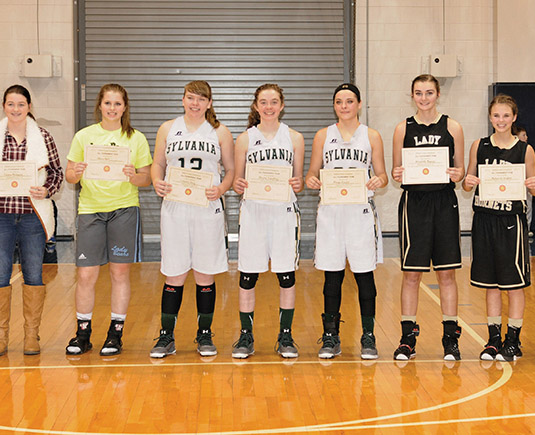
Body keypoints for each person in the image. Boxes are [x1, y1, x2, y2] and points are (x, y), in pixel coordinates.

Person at [0, 85, 64, 357]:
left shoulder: (44, 137)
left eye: (21, 104)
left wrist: (47, 190)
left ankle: (31, 335)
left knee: (34, 274)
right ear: (3, 106)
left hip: (32, 217)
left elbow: (57, 173)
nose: (15, 109)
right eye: (11, 104)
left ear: (29, 106)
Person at [64, 84, 153, 356]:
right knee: (86, 274)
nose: (112, 108)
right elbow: (69, 176)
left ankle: (115, 333)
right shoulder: (84, 136)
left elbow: (145, 178)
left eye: (117, 104)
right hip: (91, 210)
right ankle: (83, 332)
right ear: (99, 106)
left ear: (125, 107)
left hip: (124, 210)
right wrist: (76, 172)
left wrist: (132, 175)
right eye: (108, 103)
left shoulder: (135, 138)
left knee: (119, 273)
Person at [149, 80, 235, 358]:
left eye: (201, 98)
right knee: (174, 273)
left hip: (206, 208)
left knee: (204, 273)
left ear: (209, 103)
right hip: (175, 207)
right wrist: (156, 181)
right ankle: (166, 336)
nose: (195, 103)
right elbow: (158, 164)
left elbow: (231, 170)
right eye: (190, 97)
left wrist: (221, 188)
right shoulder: (167, 128)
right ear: (182, 100)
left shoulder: (220, 132)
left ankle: (205, 334)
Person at [305, 83, 388, 360]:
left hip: (360, 214)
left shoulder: (371, 136)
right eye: (339, 101)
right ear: (334, 106)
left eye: (349, 101)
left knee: (365, 276)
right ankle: (331, 336)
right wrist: (312, 180)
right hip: (331, 213)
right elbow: (311, 174)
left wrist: (379, 179)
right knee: (332, 277)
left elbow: (383, 175)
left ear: (359, 104)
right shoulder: (322, 136)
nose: (344, 106)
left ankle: (368, 335)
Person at [391, 74, 465, 361]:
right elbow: (397, 171)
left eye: (429, 93)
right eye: (419, 93)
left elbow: (459, 170)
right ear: (412, 96)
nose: (424, 98)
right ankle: (408, 337)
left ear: (437, 95)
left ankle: (450, 337)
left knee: (447, 273)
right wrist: (398, 173)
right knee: (411, 274)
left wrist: (457, 174)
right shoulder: (402, 129)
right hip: (414, 204)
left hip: (444, 203)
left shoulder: (453, 127)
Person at [462, 95, 535, 362]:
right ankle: (493, 339)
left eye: (506, 116)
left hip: (512, 222)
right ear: (490, 117)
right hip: (484, 219)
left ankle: (513, 340)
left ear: (514, 117)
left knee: (514, 284)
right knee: (491, 284)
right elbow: (466, 185)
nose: (501, 120)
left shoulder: (524, 149)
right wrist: (468, 181)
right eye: (496, 115)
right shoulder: (479, 146)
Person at [230, 84, 304, 359]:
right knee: (248, 276)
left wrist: (297, 182)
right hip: (254, 212)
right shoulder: (245, 139)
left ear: (282, 105)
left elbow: (298, 181)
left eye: (274, 101)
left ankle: (285, 335)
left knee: (286, 276)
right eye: (264, 102)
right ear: (256, 106)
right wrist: (238, 183)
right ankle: (246, 336)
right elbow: (238, 181)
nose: (269, 106)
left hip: (283, 212)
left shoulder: (294, 138)